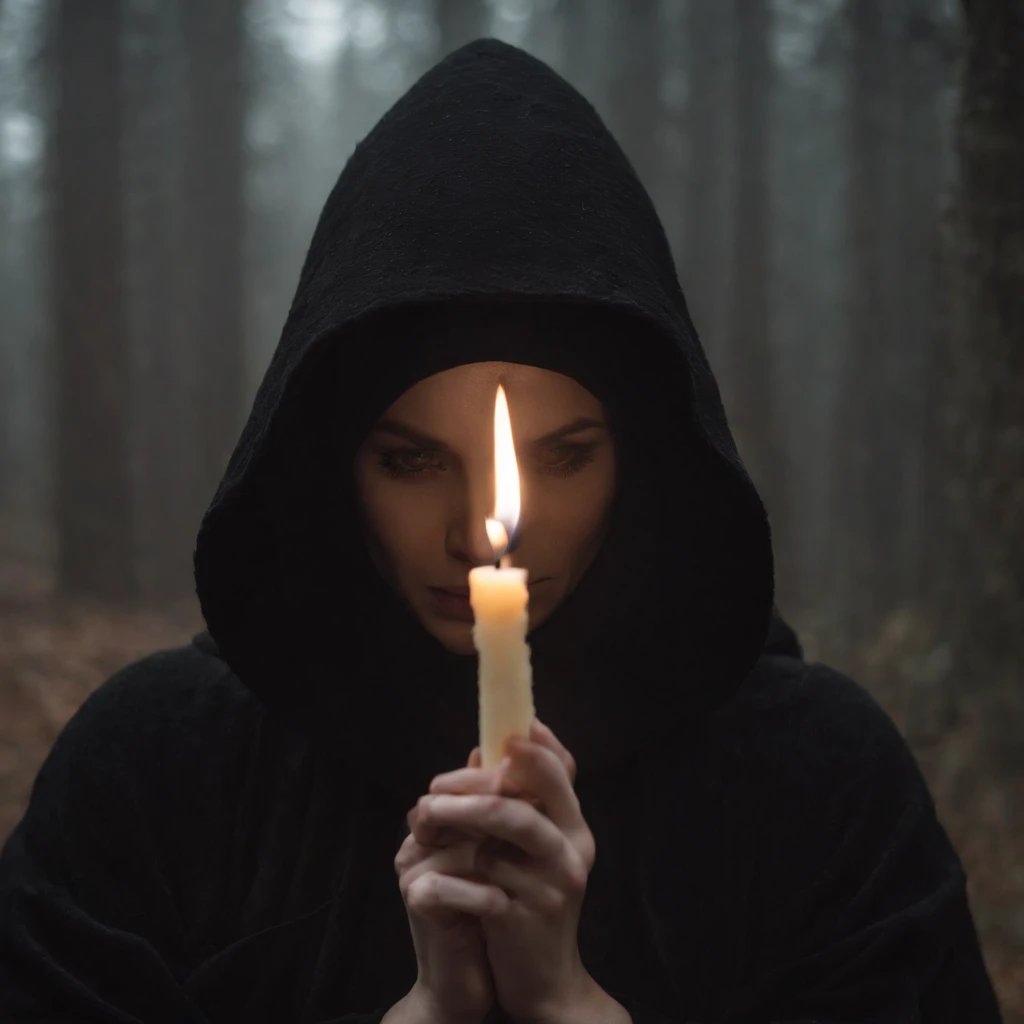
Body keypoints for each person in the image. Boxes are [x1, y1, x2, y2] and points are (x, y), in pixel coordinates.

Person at [0, 38, 1002, 1024]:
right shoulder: (157, 774)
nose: (483, 540)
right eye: (411, 458)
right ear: (330, 457)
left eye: (561, 454)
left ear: (642, 456)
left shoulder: (818, 786)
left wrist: (567, 1004)